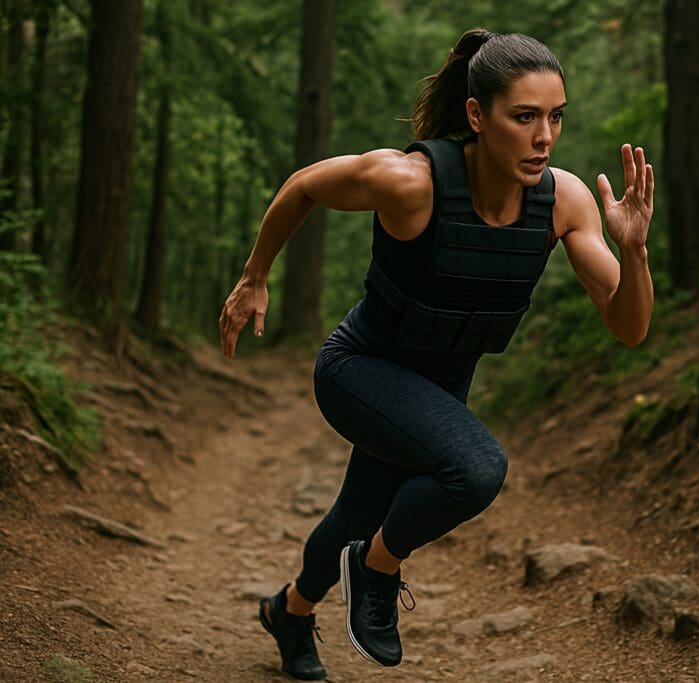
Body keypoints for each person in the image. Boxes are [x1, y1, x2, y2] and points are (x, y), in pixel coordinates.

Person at [218, 27, 653, 681]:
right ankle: (376, 568)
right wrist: (255, 277)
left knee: (356, 514)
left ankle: (290, 610)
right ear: (477, 115)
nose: (544, 137)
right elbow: (304, 184)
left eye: (556, 117)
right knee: (476, 468)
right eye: (524, 117)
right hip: (359, 370)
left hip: (438, 387)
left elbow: (629, 325)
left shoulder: (562, 201)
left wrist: (634, 251)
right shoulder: (411, 182)